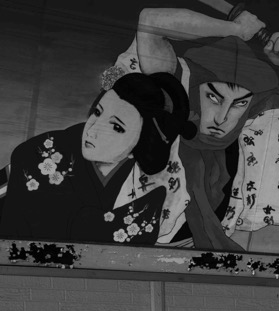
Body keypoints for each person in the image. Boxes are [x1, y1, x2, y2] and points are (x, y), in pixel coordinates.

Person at [125, 6, 279, 249]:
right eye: (214, 98)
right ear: (195, 90)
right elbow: (151, 20)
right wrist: (234, 29)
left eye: (239, 104)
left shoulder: (254, 139)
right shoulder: (169, 107)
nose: (223, 117)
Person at [0, 71, 194, 244]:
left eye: (116, 127)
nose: (92, 130)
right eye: (97, 112)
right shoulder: (42, 153)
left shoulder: (146, 186)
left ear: (139, 145)